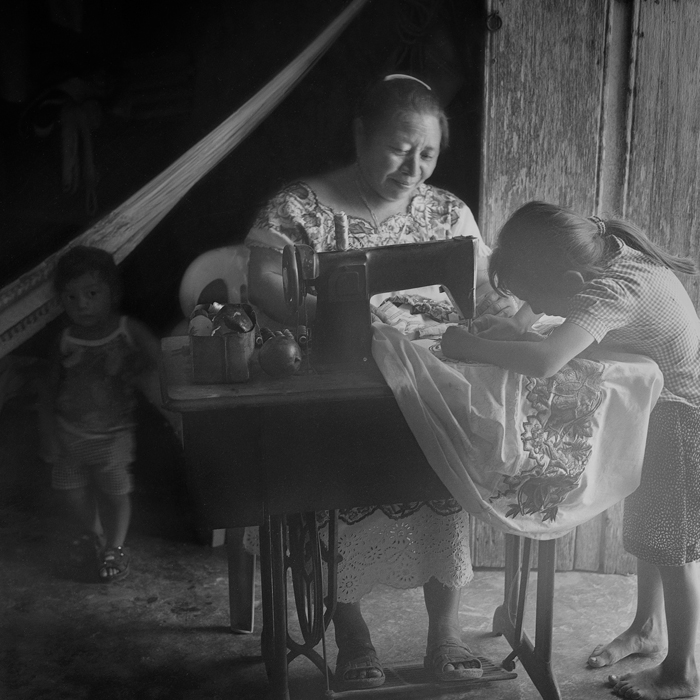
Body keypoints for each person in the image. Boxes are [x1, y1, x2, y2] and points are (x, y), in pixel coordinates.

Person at [245, 73, 516, 690]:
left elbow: (477, 293)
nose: (414, 167)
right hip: (334, 390)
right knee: (334, 492)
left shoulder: (446, 211)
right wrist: (348, 315)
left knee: (444, 483)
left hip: (428, 390)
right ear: (361, 134)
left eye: (428, 154)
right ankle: (353, 636)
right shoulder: (299, 207)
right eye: (400, 148)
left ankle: (444, 637)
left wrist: (524, 324)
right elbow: (263, 284)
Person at [441, 201, 700, 700]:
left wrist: (473, 348)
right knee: (653, 531)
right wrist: (517, 324)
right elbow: (545, 306)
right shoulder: (601, 250)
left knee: (678, 549)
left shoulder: (612, 289)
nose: (538, 305)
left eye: (537, 296)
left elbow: (545, 359)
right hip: (662, 407)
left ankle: (684, 673)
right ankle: (649, 628)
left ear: (573, 284)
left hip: (686, 416)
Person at [40, 245, 178, 583]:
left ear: (112, 293)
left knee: (116, 494)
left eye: (91, 293)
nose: (82, 304)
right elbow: (46, 389)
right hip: (69, 434)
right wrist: (47, 432)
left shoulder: (126, 330)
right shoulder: (65, 339)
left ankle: (116, 547)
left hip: (113, 437)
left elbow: (161, 361)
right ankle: (97, 537)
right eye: (70, 297)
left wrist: (132, 367)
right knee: (71, 493)